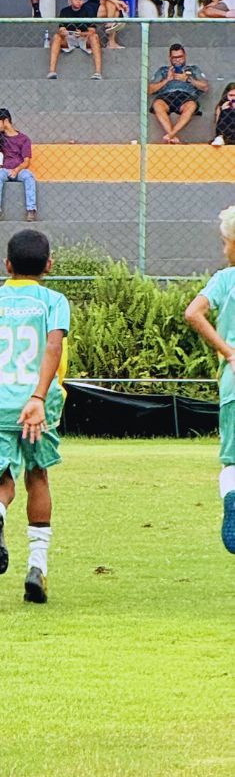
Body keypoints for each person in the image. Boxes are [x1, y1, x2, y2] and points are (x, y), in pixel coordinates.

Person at [0, 229, 71, 605]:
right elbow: (53, 345)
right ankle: (37, 567)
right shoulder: (53, 301)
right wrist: (39, 395)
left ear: (7, 265)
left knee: (2, 478)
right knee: (38, 476)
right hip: (35, 404)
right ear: (49, 265)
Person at [183, 205, 235, 549]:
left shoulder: (225, 280)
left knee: (232, 458)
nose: (223, 249)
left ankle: (232, 498)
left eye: (225, 242)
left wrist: (229, 352)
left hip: (233, 382)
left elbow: (193, 313)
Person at [148, 43, 209, 143]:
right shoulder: (163, 70)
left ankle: (171, 135)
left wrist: (188, 79)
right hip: (166, 96)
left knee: (191, 106)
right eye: (174, 58)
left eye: (180, 57)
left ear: (185, 56)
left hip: (186, 97)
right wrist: (167, 80)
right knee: (157, 104)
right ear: (170, 58)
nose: (177, 60)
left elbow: (205, 87)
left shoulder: (193, 69)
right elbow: (150, 90)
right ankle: (172, 136)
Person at [0, 108, 37, 222]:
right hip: (5, 169)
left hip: (19, 170)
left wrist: (16, 170)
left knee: (29, 177)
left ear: (5, 121)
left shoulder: (24, 139)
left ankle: (31, 210)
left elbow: (26, 162)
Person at [47, 0, 104, 80]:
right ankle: (52, 71)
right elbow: (61, 29)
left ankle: (98, 72)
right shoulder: (64, 11)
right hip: (69, 38)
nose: (79, 2)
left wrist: (82, 34)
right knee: (56, 37)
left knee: (95, 37)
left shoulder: (88, 10)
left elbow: (92, 30)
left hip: (84, 38)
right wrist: (63, 32)